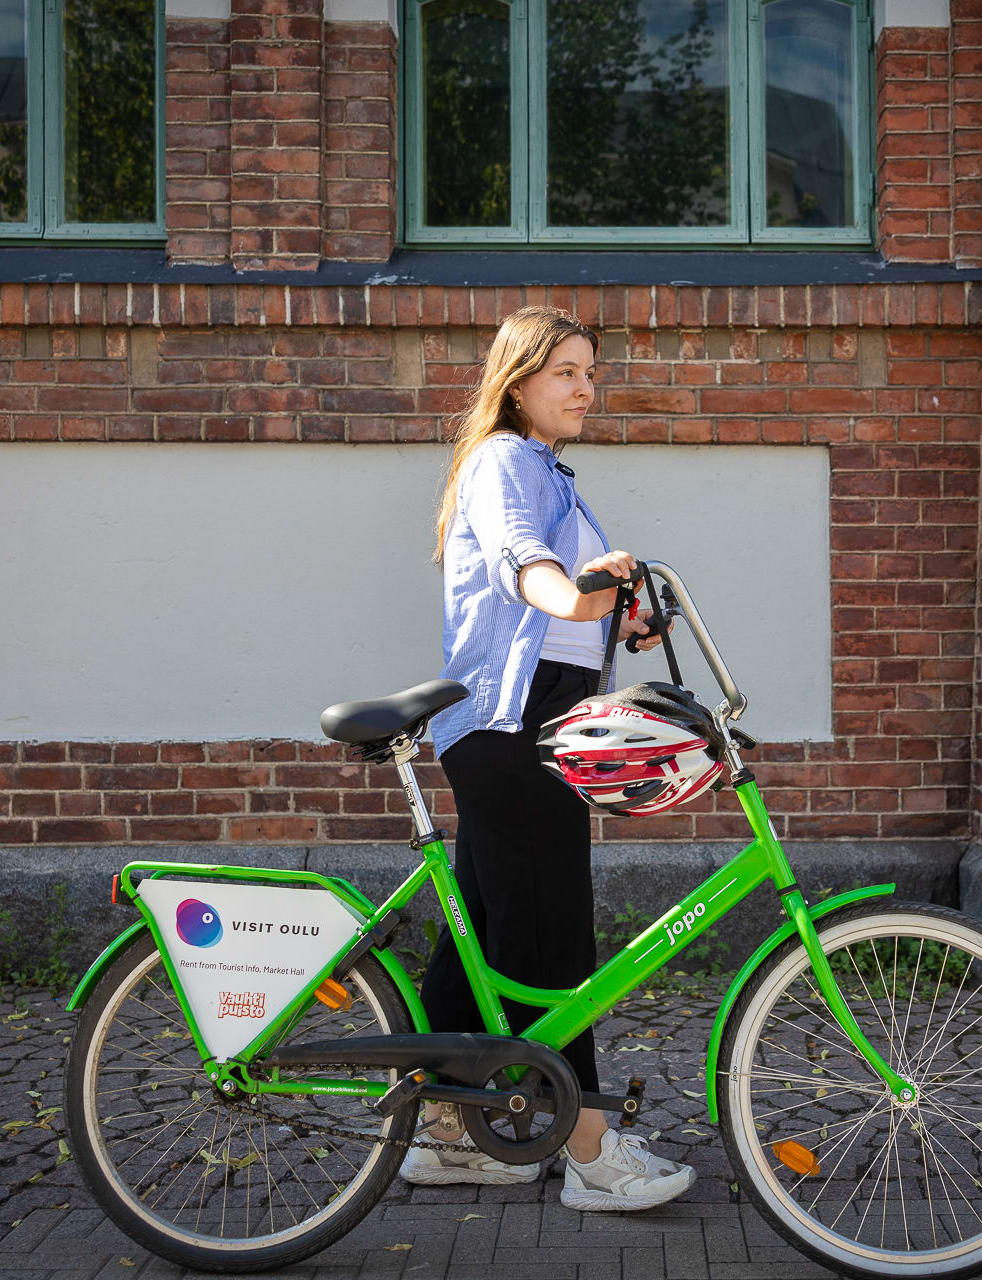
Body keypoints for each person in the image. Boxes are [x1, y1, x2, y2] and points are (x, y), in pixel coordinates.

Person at [402, 305, 697, 1212]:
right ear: (518, 378)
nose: (585, 387)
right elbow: (521, 567)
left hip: (536, 716)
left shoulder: (553, 477)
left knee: (485, 936)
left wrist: (621, 611)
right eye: (566, 370)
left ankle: (451, 1136)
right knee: (553, 939)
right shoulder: (502, 462)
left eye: (591, 372)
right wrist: (574, 593)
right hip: (513, 723)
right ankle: (591, 1150)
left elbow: (567, 602)